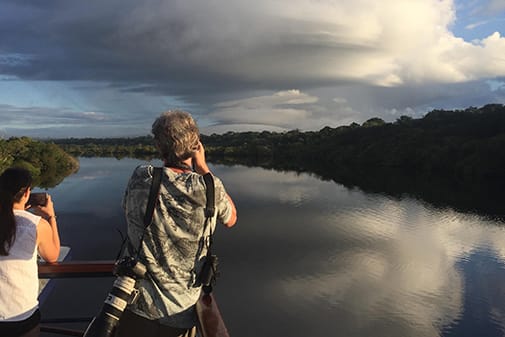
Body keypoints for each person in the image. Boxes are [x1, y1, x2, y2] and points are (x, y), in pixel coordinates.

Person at [117, 110, 237, 337]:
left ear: (159, 147)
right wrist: (203, 167)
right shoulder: (210, 188)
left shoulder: (141, 177)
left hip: (136, 305)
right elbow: (231, 218)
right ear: (195, 144)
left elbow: (126, 209)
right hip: (180, 313)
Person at [0, 168, 61, 337]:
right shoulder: (36, 225)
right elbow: (53, 256)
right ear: (27, 192)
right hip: (21, 315)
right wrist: (51, 217)